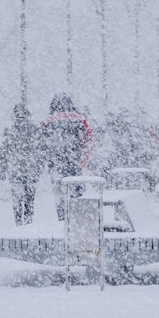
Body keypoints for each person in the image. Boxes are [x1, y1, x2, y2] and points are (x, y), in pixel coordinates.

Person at [40, 92, 93, 221]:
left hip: (55, 164)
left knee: (59, 194)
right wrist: (83, 160)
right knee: (75, 192)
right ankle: (75, 219)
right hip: (73, 162)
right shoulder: (78, 119)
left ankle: (62, 219)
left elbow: (41, 144)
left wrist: (47, 160)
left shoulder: (47, 121)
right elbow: (89, 141)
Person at [0, 103, 43, 225]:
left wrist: (2, 167)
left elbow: (4, 150)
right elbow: (40, 150)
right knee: (29, 199)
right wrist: (39, 166)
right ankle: (28, 224)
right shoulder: (34, 129)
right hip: (30, 169)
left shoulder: (10, 130)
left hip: (15, 169)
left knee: (17, 199)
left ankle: (19, 224)